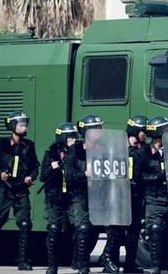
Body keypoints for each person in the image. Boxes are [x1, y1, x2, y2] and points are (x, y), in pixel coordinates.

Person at [0, 110, 40, 271]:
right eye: (21, 124)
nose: (24, 127)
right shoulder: (2, 144)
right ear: (13, 126)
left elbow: (35, 166)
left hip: (21, 191)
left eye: (25, 124)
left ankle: (22, 261)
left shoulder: (29, 145)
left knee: (25, 224)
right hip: (4, 191)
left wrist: (31, 177)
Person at [64, 114, 106, 274]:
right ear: (88, 131)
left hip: (99, 194)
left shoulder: (104, 148)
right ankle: (83, 264)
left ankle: (81, 258)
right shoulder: (75, 150)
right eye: (97, 128)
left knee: (95, 229)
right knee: (82, 227)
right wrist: (84, 173)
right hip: (79, 194)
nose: (100, 131)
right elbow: (69, 173)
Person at [39, 122, 80, 274]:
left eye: (75, 137)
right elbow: (42, 176)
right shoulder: (50, 153)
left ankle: (77, 261)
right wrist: (52, 167)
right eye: (70, 137)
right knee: (54, 229)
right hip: (54, 197)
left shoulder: (76, 153)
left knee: (79, 227)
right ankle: (52, 265)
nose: (74, 140)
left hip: (71, 196)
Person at [140, 116, 168, 274]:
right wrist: (158, 177)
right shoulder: (145, 153)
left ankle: (167, 258)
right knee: (155, 229)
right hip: (153, 197)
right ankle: (155, 265)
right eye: (166, 130)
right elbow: (139, 176)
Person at [119, 115, 149, 273]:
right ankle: (109, 260)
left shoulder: (144, 149)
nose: (145, 133)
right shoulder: (120, 148)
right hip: (121, 195)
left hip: (137, 195)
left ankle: (130, 263)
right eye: (142, 130)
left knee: (134, 230)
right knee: (116, 231)